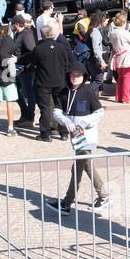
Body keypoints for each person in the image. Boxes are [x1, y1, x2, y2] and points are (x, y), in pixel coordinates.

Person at [43, 63, 109, 214]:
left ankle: (68, 203)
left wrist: (84, 123)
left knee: (80, 167)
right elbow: (57, 112)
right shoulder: (64, 92)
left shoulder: (88, 91)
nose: (75, 77)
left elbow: (99, 112)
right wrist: (66, 121)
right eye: (73, 75)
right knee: (84, 167)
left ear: (84, 76)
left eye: (78, 75)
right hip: (76, 138)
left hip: (87, 136)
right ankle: (101, 196)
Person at [32, 20, 76, 142]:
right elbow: (67, 63)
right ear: (52, 34)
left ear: (42, 35)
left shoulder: (38, 49)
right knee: (60, 106)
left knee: (45, 108)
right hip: (60, 81)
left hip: (43, 82)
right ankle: (64, 132)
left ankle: (46, 134)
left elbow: (34, 63)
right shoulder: (62, 48)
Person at [106, 10, 130, 103]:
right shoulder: (125, 33)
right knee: (127, 79)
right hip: (127, 58)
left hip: (118, 58)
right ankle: (125, 98)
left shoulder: (112, 33)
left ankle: (119, 97)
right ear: (123, 22)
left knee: (120, 79)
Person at [0, 24, 20, 135]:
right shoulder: (8, 56)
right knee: (9, 104)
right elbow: (11, 73)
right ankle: (10, 128)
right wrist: (15, 63)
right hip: (8, 83)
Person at [13, 15, 39, 128]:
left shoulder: (27, 35)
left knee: (29, 94)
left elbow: (32, 51)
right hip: (18, 69)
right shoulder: (18, 34)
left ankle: (29, 118)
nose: (11, 25)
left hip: (26, 69)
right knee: (15, 92)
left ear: (17, 24)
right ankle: (25, 115)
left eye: (13, 23)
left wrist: (19, 59)